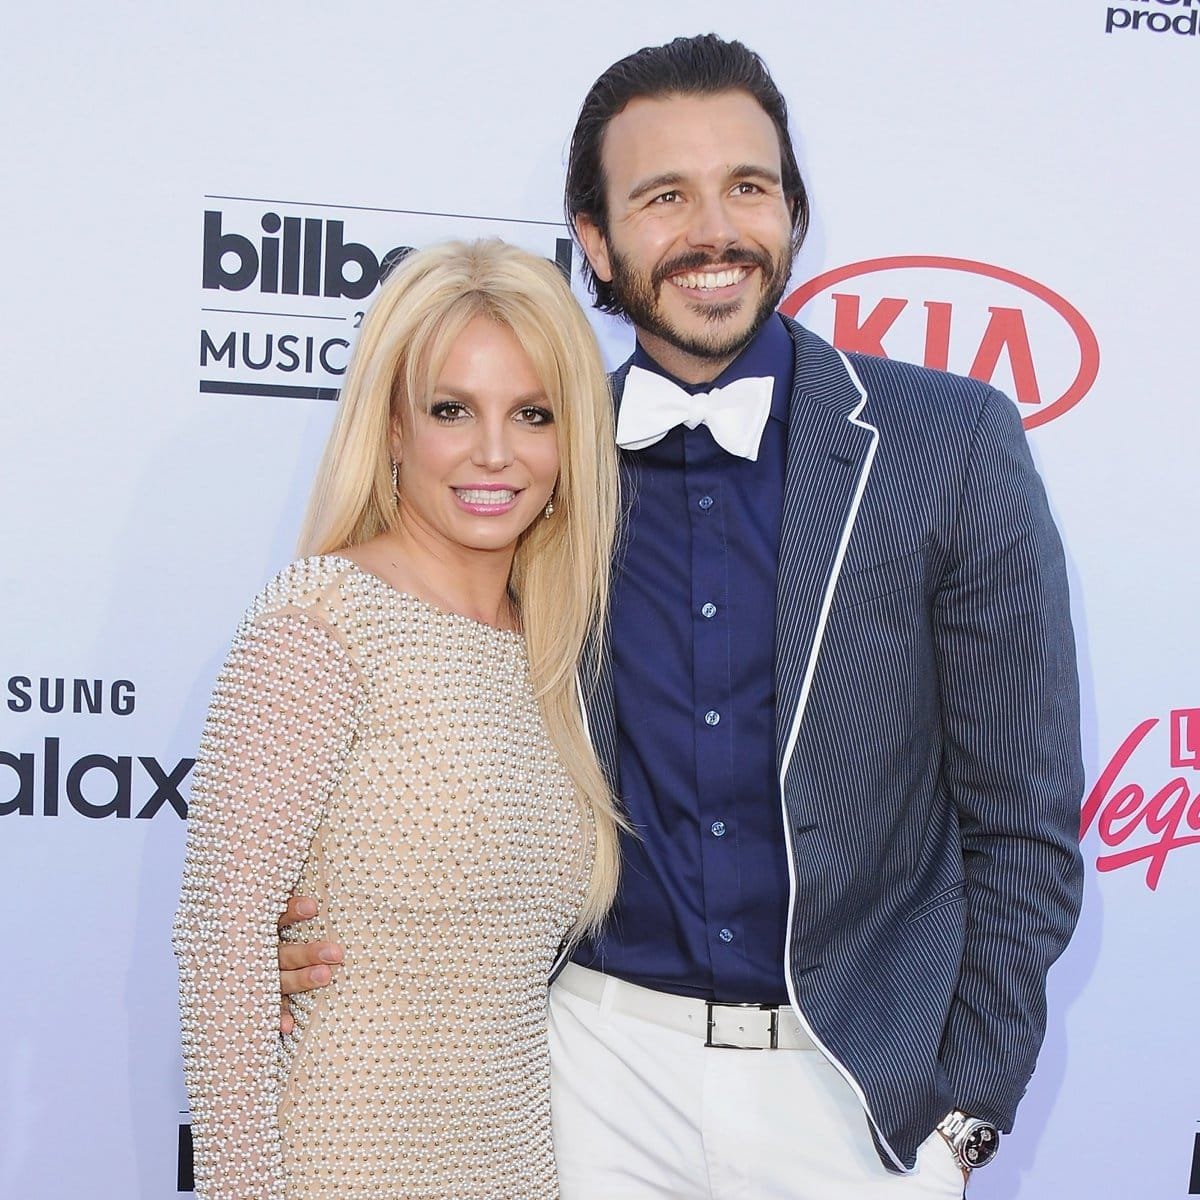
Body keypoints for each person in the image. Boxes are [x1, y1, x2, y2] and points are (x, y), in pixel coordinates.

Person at [277, 35, 1084, 1199]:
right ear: (596, 240)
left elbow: (1023, 823)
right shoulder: (531, 461)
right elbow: (407, 706)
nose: (715, 231)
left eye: (747, 188)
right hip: (576, 1073)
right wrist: (280, 937)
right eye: (666, 198)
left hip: (851, 1093)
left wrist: (964, 1117)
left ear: (794, 211)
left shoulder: (945, 444)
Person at [173, 238, 623, 1200]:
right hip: (341, 1161)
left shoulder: (552, 654)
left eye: (533, 414)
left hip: (512, 1168)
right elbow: (221, 938)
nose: (494, 452)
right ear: (389, 428)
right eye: (451, 410)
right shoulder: (322, 620)